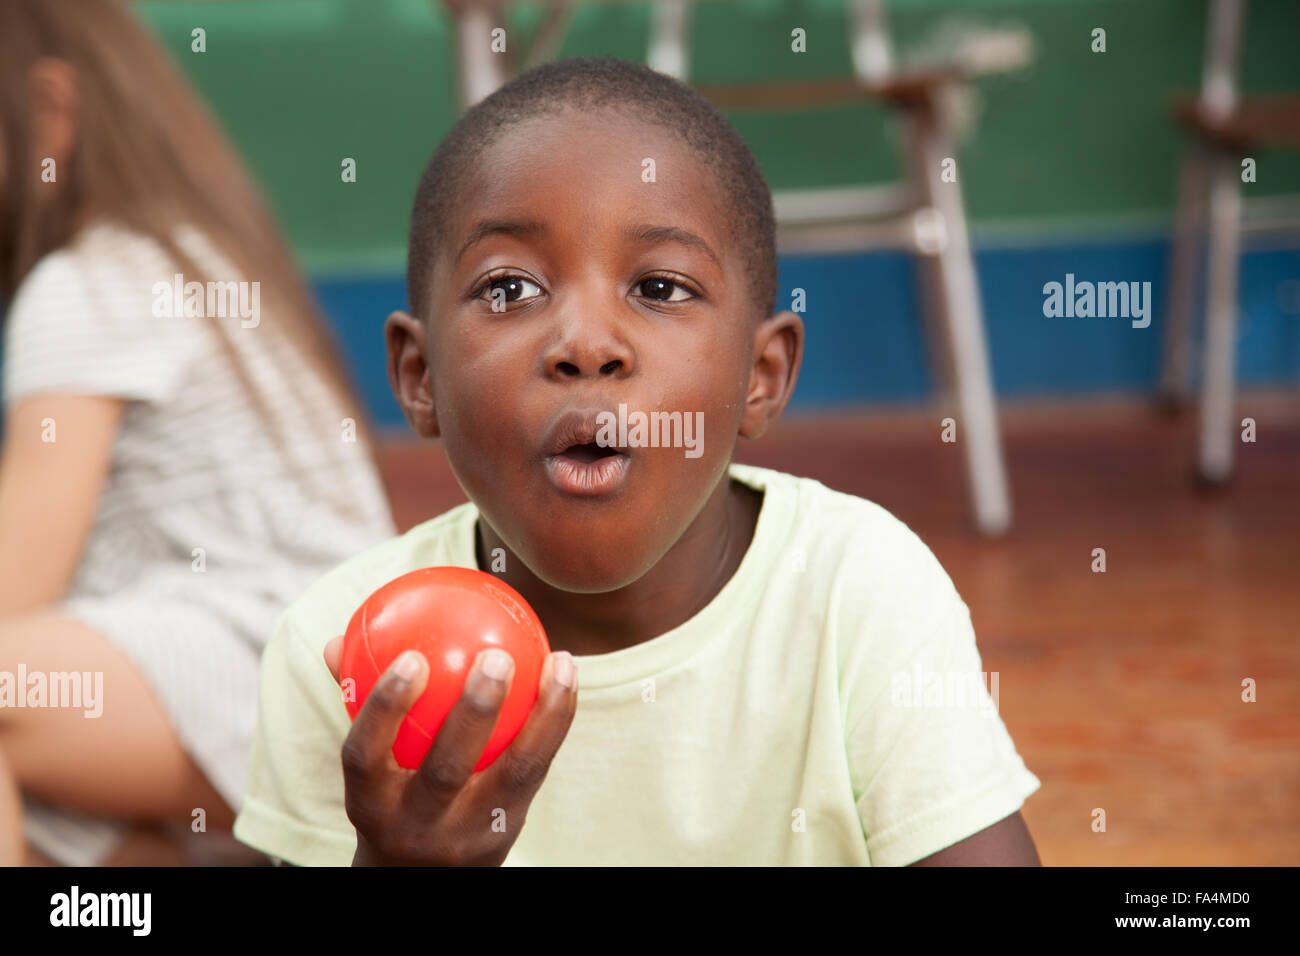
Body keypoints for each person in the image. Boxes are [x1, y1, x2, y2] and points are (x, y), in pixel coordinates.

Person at [233, 55, 1042, 866]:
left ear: (760, 378)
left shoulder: (858, 594)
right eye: (510, 288)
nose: (586, 344)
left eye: (660, 288)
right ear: (420, 378)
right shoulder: (349, 655)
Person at [0, 0, 396, 865]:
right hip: (342, 670)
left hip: (275, 666)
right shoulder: (184, 258)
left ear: (53, 113)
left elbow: (11, 592)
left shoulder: (85, 288)